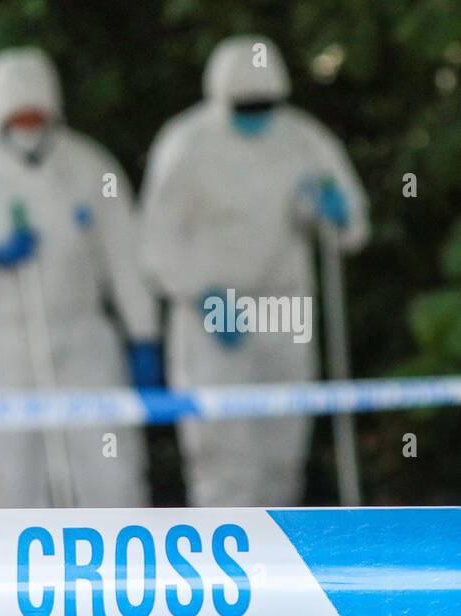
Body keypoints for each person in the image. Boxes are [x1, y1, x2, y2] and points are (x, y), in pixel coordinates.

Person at [0, 47, 160, 616]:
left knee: (108, 478)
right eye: (15, 112)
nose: (27, 122)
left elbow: (125, 256)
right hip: (0, 351)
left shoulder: (91, 166)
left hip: (83, 345)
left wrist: (144, 335)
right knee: (10, 488)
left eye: (36, 111)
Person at [140, 35, 369, 507]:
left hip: (285, 307)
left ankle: (280, 570)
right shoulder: (186, 143)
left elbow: (351, 228)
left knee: (283, 449)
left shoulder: (303, 139)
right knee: (222, 453)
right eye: (243, 105)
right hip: (214, 312)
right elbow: (156, 240)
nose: (254, 114)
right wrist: (202, 294)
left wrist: (338, 213)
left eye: (263, 104)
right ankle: (224, 569)